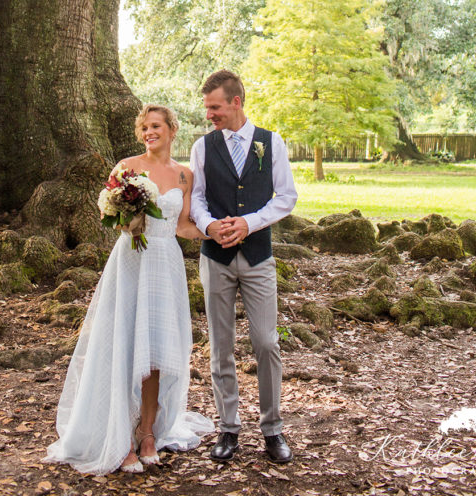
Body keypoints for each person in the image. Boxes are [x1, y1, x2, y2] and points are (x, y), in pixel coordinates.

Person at [45, 104, 213, 474]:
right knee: (124, 346)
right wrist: (127, 215)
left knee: (156, 351)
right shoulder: (126, 167)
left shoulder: (184, 175)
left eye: (156, 126)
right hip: (132, 261)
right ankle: (119, 439)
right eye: (144, 128)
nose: (149, 132)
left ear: (172, 129)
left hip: (165, 265)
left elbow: (183, 225)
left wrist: (214, 232)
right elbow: (110, 216)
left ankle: (148, 431)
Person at [190, 70, 298, 465]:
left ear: (236, 102)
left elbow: (286, 197)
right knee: (221, 347)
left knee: (266, 342)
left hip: (258, 258)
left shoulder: (272, 143)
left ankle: (272, 429)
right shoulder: (203, 147)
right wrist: (209, 225)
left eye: (214, 107)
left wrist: (249, 222)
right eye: (207, 108)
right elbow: (196, 199)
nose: (209, 115)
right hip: (215, 259)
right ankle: (228, 429)